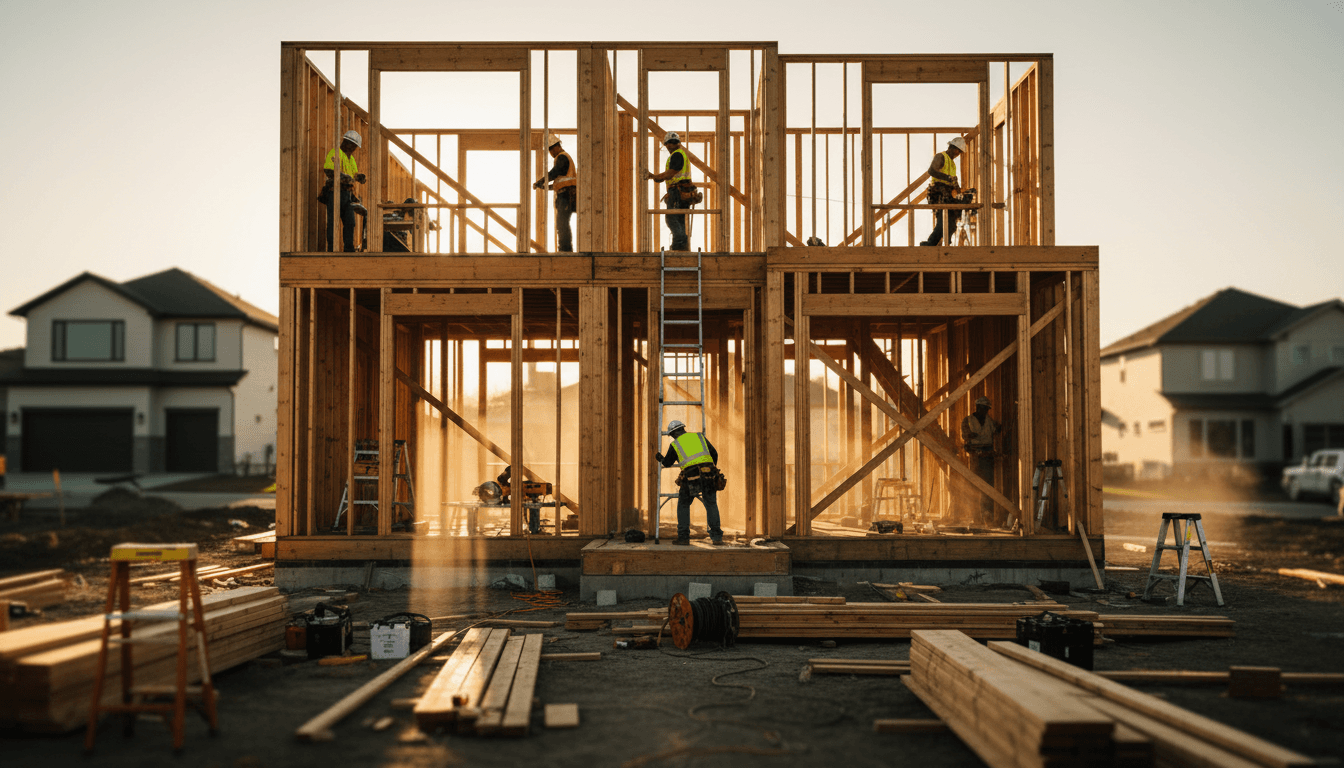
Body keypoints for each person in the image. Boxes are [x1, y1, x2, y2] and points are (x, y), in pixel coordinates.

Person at [655, 419, 723, 545]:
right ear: (683, 429)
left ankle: (684, 537)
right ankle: (717, 538)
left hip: (691, 477)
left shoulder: (675, 444)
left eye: (671, 436)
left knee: (683, 504)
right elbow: (714, 453)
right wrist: (711, 469)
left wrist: (660, 458)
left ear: (673, 434)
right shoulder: (699, 436)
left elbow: (667, 463)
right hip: (708, 474)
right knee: (711, 504)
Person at [645, 131, 694, 251]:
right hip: (681, 191)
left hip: (678, 192)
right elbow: (669, 175)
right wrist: (657, 178)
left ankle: (679, 245)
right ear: (666, 144)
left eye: (673, 142)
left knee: (671, 218)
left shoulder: (677, 155)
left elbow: (670, 174)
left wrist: (653, 176)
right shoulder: (679, 154)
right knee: (679, 219)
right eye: (670, 143)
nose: (671, 145)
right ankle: (680, 247)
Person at [322, 130, 367, 252]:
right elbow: (329, 170)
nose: (354, 149)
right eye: (353, 146)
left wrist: (359, 177)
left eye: (355, 147)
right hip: (335, 193)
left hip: (347, 195)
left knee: (350, 222)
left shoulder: (350, 159)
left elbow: (353, 174)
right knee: (332, 223)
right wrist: (342, 176)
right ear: (347, 142)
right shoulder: (336, 153)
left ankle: (349, 249)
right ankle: (331, 249)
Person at [920, 136, 969, 247]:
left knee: (952, 224)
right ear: (952, 147)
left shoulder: (952, 164)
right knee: (943, 221)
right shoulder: (940, 157)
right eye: (957, 151)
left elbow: (953, 181)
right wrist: (947, 178)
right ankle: (930, 244)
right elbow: (932, 171)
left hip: (947, 194)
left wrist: (959, 192)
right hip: (938, 193)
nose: (958, 154)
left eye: (959, 153)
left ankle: (945, 243)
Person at [961, 396, 1003, 524]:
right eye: (984, 408)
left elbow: (996, 430)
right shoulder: (968, 420)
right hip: (975, 456)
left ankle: (987, 514)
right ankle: (976, 517)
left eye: (987, 409)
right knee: (974, 486)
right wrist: (970, 436)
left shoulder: (989, 420)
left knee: (988, 486)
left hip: (987, 456)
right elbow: (965, 435)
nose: (986, 411)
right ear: (978, 407)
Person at [533, 134, 577, 252]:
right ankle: (565, 248)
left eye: (552, 148)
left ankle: (565, 249)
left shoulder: (562, 157)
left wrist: (541, 181)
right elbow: (560, 183)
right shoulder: (563, 159)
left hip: (566, 195)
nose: (551, 152)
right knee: (562, 223)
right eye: (549, 149)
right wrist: (545, 187)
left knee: (562, 223)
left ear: (558, 146)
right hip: (566, 193)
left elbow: (554, 173)